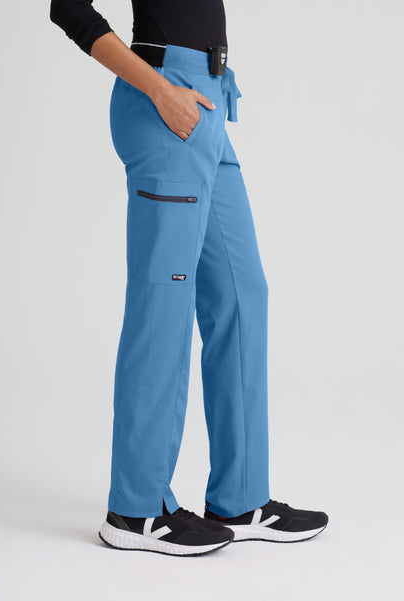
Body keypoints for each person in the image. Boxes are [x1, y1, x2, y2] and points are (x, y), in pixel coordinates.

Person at [50, 0, 329, 556]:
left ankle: (240, 499)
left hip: (208, 101)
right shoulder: (161, 93)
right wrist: (159, 89)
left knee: (242, 295)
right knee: (163, 310)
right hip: (165, 101)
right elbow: (67, 7)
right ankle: (135, 509)